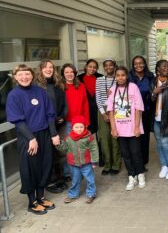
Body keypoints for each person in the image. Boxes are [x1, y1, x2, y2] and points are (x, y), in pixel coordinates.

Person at [6, 64, 60, 215]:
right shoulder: (14, 95)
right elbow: (17, 120)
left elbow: (50, 114)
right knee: (30, 169)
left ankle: (41, 197)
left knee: (45, 165)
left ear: (32, 75)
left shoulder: (40, 92)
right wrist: (31, 138)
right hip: (27, 137)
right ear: (15, 77)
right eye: (20, 75)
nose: (24, 77)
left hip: (44, 134)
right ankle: (32, 202)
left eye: (27, 74)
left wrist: (54, 134)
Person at [108, 66, 146, 191]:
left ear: (127, 76)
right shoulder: (112, 90)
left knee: (136, 153)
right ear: (115, 76)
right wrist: (113, 129)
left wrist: (136, 127)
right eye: (117, 75)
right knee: (126, 154)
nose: (120, 77)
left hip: (133, 127)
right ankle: (131, 176)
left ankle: (140, 174)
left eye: (122, 75)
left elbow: (139, 108)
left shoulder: (133, 87)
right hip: (120, 129)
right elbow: (111, 111)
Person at [35, 60, 68, 194]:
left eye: (51, 67)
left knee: (59, 152)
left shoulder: (57, 84)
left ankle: (60, 178)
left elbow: (64, 103)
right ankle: (51, 180)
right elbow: (40, 109)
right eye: (45, 67)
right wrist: (53, 119)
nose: (49, 69)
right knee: (48, 154)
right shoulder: (37, 87)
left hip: (59, 123)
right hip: (45, 125)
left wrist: (62, 116)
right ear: (40, 70)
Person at [57, 115, 99, 204]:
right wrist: (59, 144)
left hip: (86, 163)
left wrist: (94, 160)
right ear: (72, 128)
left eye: (81, 127)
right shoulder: (68, 138)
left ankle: (91, 194)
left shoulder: (89, 137)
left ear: (85, 127)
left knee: (90, 179)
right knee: (75, 180)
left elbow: (94, 149)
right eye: (76, 127)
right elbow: (64, 148)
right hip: (74, 164)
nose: (79, 129)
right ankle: (73, 195)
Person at [151, 60, 168, 180]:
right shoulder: (153, 81)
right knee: (158, 142)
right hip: (156, 118)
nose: (166, 68)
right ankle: (164, 165)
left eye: (167, 66)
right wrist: (154, 92)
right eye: (163, 66)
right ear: (158, 69)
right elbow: (150, 100)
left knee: (166, 142)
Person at [95, 58, 121, 176]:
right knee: (104, 139)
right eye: (106, 66)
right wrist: (104, 113)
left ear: (114, 66)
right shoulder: (99, 80)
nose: (108, 67)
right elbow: (98, 98)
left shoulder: (119, 78)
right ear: (103, 67)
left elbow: (121, 96)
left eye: (111, 65)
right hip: (103, 111)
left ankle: (116, 164)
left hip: (117, 110)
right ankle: (107, 165)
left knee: (115, 138)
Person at [128, 56, 155, 169]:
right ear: (133, 65)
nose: (138, 65)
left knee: (144, 138)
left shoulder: (150, 76)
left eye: (141, 63)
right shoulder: (129, 76)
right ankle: (135, 162)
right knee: (134, 137)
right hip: (132, 112)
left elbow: (153, 92)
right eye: (135, 63)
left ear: (144, 64)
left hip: (146, 111)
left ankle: (143, 162)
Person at [78, 59, 102, 134]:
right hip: (85, 109)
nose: (92, 69)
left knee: (98, 130)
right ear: (86, 67)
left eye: (94, 67)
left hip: (98, 109)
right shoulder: (79, 78)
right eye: (90, 66)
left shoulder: (100, 77)